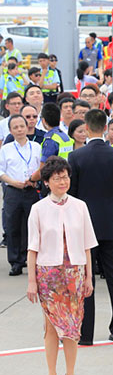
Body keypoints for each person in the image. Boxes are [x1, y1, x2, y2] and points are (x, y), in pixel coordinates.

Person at [26, 156, 97, 375]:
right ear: (47, 182)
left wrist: (88, 277)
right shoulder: (38, 209)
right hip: (49, 275)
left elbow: (87, 245)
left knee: (73, 326)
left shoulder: (80, 206)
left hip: (75, 273)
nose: (62, 182)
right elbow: (32, 248)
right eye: (57, 178)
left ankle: (71, 374)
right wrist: (32, 282)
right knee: (52, 327)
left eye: (65, 177)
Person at [68, 109, 113, 345]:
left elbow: (72, 195)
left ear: (86, 127)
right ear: (105, 127)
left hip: (85, 225)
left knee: (86, 278)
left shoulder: (76, 157)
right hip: (110, 222)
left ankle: (86, 333)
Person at [0, 115, 42, 275]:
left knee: (32, 226)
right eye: (15, 127)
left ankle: (31, 259)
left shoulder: (36, 147)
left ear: (27, 127)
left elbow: (41, 167)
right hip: (13, 191)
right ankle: (16, 261)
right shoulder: (6, 149)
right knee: (13, 226)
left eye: (21, 126)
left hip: (31, 190)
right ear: (10, 131)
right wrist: (12, 182)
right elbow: (1, 170)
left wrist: (34, 181)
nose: (19, 130)